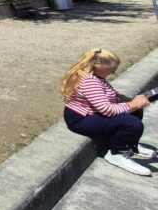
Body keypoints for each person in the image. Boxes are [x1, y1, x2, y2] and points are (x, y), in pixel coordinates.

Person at [60, 48, 154, 176]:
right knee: (132, 124)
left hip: (93, 113)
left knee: (135, 112)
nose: (114, 71)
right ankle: (117, 154)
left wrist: (128, 101)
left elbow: (108, 93)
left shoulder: (96, 76)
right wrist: (132, 104)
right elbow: (107, 110)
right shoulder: (89, 81)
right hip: (82, 119)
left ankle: (130, 145)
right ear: (98, 65)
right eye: (111, 69)